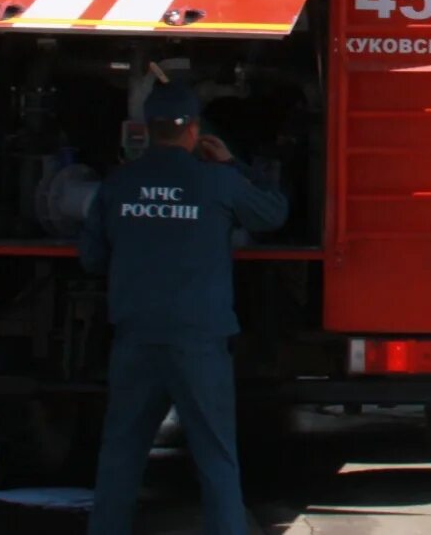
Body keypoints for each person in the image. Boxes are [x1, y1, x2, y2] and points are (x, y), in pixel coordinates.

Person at [79, 79, 288, 535]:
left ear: (147, 129)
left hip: (135, 338)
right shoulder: (218, 181)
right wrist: (236, 165)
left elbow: (92, 257)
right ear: (194, 130)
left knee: (120, 455)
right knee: (215, 456)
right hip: (199, 341)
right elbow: (273, 215)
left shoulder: (118, 185)